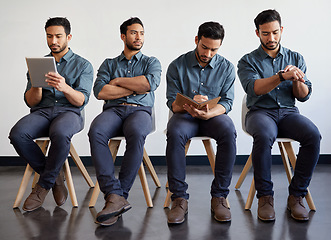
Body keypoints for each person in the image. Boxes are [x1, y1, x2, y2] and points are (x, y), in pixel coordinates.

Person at [237, 9, 321, 222]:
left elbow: (303, 97)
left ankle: (297, 195)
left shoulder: (295, 57)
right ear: (257, 33)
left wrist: (296, 80)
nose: (271, 38)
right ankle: (265, 197)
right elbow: (255, 88)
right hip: (259, 112)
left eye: (275, 32)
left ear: (281, 30)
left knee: (313, 135)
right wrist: (282, 76)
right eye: (265, 33)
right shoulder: (247, 61)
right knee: (264, 136)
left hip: (288, 113)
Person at [9, 17, 94, 211]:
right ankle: (55, 177)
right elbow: (30, 101)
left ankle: (42, 186)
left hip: (70, 113)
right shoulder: (39, 64)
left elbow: (81, 100)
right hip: (42, 112)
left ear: (68, 37)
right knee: (17, 134)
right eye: (49, 36)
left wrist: (64, 87)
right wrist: (38, 87)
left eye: (58, 36)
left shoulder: (83, 65)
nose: (53, 41)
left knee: (61, 133)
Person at [88, 17, 161, 226]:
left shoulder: (151, 62)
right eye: (133, 33)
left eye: (141, 33)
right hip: (114, 111)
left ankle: (119, 196)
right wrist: (135, 87)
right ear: (123, 36)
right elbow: (100, 91)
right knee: (96, 132)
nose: (138, 37)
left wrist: (118, 82)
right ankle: (114, 194)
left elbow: (149, 84)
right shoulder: (109, 63)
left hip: (140, 112)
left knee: (137, 133)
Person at [165, 22, 237, 224]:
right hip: (185, 116)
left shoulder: (227, 67)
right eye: (205, 47)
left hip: (213, 117)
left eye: (214, 49)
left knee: (229, 131)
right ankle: (179, 198)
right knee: (175, 132)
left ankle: (219, 197)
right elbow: (172, 102)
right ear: (197, 40)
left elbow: (227, 102)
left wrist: (210, 112)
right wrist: (189, 103)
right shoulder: (177, 65)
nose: (209, 53)